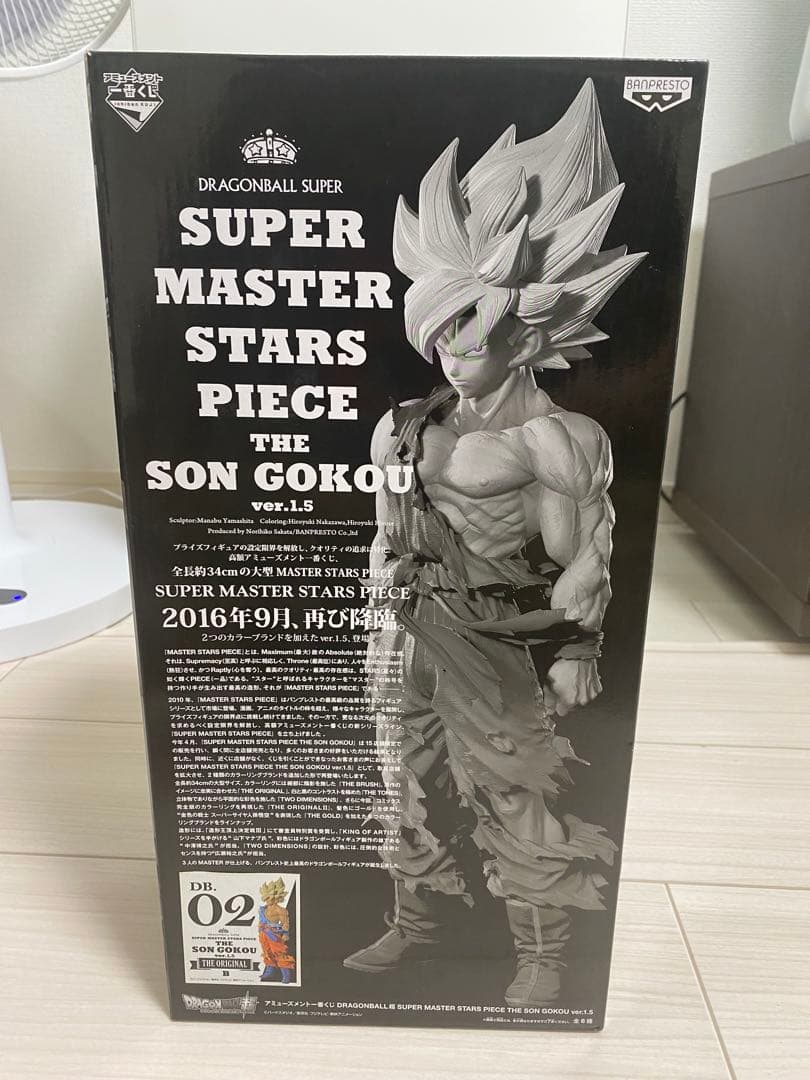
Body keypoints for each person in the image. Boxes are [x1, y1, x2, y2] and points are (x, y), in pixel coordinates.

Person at [342, 80, 645, 1006]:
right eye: (440, 330)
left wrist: (580, 647)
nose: (450, 348)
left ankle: (543, 953)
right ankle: (420, 924)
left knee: (513, 788)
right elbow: (385, 533)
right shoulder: (403, 424)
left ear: (527, 328)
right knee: (403, 778)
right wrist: (375, 623)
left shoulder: (557, 441)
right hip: (407, 625)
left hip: (491, 635)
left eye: (471, 330)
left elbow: (586, 554)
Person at [258, 878, 296, 984]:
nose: (267, 900)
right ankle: (269, 972)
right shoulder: (263, 909)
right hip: (263, 934)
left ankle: (286, 975)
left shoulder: (280, 910)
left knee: (279, 953)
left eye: (269, 898)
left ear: (276, 897)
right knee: (267, 952)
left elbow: (285, 923)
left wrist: (285, 934)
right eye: (266, 897)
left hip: (274, 934)